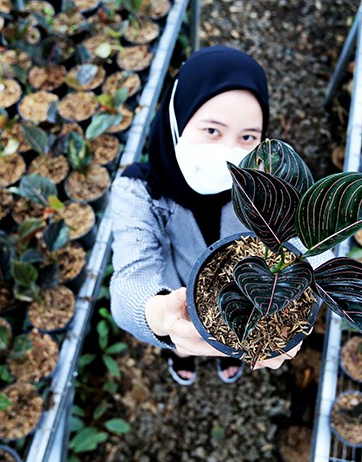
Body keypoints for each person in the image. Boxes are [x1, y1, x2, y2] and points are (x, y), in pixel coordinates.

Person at [110, 46, 301, 385]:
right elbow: (130, 282)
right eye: (212, 130)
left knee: (235, 337)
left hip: (245, 295)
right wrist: (163, 318)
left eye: (247, 137)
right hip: (177, 292)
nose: (228, 152)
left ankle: (230, 356)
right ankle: (182, 356)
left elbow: (303, 238)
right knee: (185, 340)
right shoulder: (140, 189)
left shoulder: (267, 183)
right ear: (177, 119)